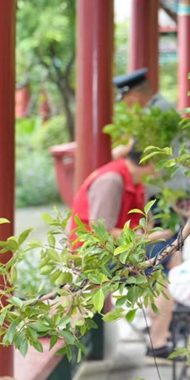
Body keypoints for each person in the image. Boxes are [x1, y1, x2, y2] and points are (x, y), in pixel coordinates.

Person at [69, 147, 180, 359]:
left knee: (169, 252)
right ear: (149, 163)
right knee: (169, 253)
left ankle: (161, 332)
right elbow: (102, 231)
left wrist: (153, 233)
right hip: (95, 254)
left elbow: (142, 224)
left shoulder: (134, 180)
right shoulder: (112, 180)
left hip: (117, 249)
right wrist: (150, 238)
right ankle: (159, 338)